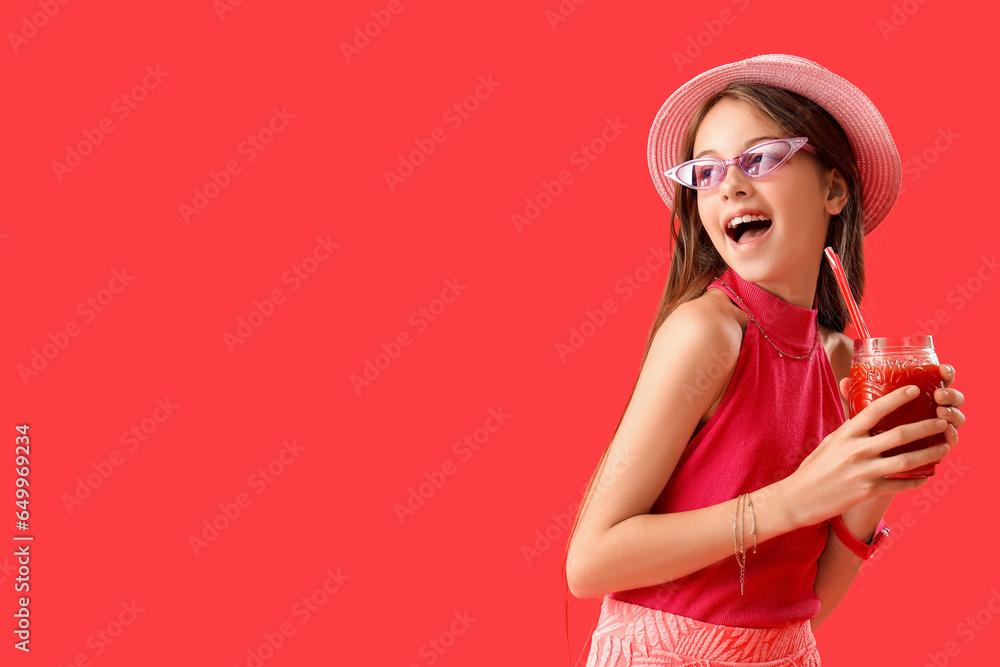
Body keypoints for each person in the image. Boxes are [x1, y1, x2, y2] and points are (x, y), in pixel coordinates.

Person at [562, 54, 967, 666]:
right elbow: (589, 563)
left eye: (761, 158)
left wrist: (878, 479)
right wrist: (795, 498)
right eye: (708, 169)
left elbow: (804, 606)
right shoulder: (707, 332)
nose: (731, 184)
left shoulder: (844, 363)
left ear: (834, 188)